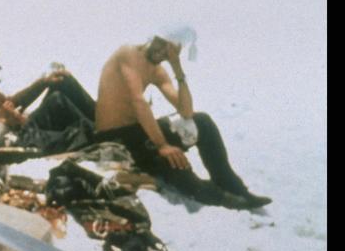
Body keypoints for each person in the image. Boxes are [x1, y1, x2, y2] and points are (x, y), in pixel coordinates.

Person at [93, 36, 270, 210]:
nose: (162, 52)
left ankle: (228, 182)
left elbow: (186, 111)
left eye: (169, 49)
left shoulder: (157, 70)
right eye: (161, 44)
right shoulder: (128, 53)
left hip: (140, 132)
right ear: (154, 36)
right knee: (180, 173)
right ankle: (220, 197)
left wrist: (176, 66)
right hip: (115, 139)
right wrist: (162, 144)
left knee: (202, 122)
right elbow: (137, 101)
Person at [0, 53, 95, 166]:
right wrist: (4, 121)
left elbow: (12, 103)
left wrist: (43, 83)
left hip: (20, 130)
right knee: (77, 128)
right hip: (19, 136)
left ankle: (103, 122)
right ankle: (105, 129)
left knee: (61, 90)